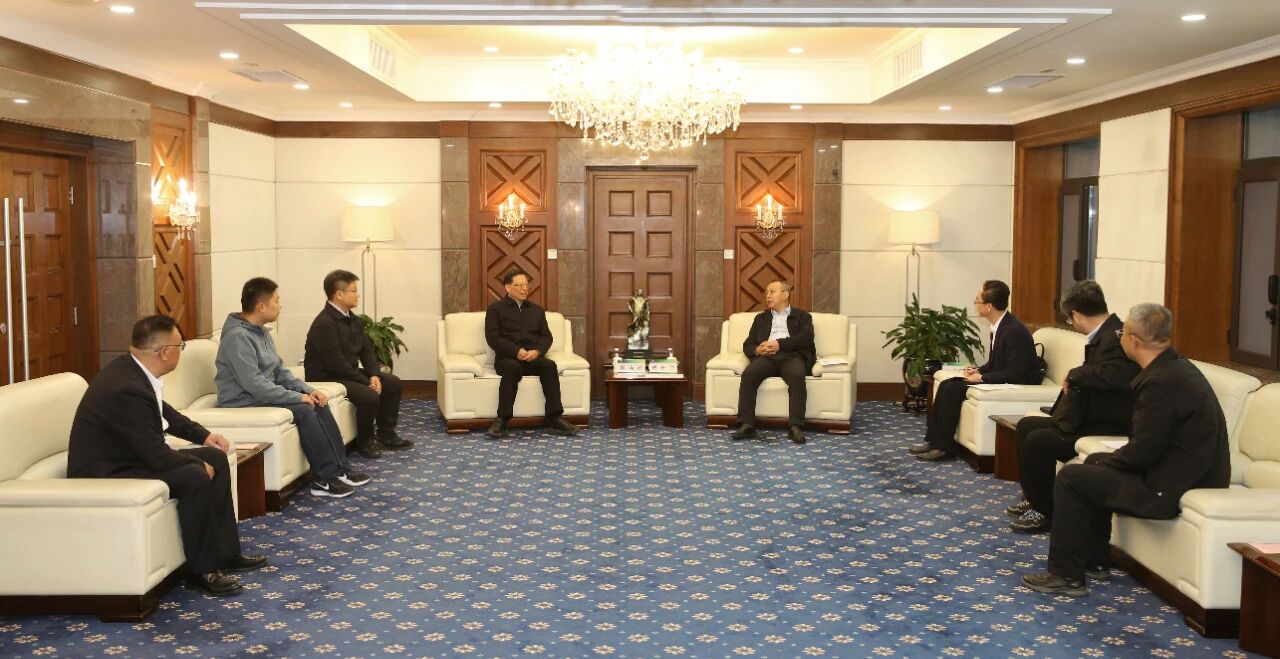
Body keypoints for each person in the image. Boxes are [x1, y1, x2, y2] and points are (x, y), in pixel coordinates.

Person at [1022, 303, 1230, 597]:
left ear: (1135, 340)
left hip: (1169, 486)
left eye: (1122, 334)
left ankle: (1066, 575)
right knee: (1093, 462)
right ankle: (1095, 559)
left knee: (1071, 478)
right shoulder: (1174, 368)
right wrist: (1104, 461)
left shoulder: (1161, 383)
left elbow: (1142, 452)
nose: (1119, 338)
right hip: (1177, 472)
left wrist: (1109, 463)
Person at [68, 315, 267, 597]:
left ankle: (225, 553)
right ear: (164, 352)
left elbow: (164, 413)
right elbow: (156, 455)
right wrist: (196, 463)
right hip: (105, 470)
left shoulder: (134, 372)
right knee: (194, 474)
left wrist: (203, 436)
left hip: (127, 457)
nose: (181, 351)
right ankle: (202, 570)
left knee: (216, 458)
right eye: (180, 346)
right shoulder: (125, 388)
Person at [215, 277, 369, 499]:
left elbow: (280, 371)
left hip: (259, 394)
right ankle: (324, 479)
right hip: (242, 399)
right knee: (304, 409)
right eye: (277, 300)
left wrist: (307, 390)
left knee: (318, 401)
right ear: (261, 306)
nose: (280, 306)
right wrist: (297, 398)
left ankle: (340, 468)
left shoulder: (261, 331)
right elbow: (254, 383)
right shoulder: (237, 337)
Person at [1007, 281, 1139, 533]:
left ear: (1076, 315)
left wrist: (1077, 373)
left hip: (1108, 422)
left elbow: (1118, 376)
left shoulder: (1116, 337)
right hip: (1089, 415)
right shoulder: (1106, 333)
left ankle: (1045, 511)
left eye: (1069, 318)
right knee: (1026, 426)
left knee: (1038, 441)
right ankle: (1036, 498)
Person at [913, 280, 1042, 461]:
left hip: (1017, 383)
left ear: (989, 306)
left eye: (977, 301)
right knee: (946, 384)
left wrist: (982, 378)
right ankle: (935, 442)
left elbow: (1015, 372)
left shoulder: (1014, 331)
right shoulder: (1001, 325)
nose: (975, 304)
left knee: (952, 389)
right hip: (1006, 378)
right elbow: (996, 363)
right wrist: (978, 370)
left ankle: (943, 447)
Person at [304, 269, 411, 460]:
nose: (358, 295)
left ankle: (386, 434)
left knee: (392, 383)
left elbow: (367, 351)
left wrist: (374, 375)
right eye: (353, 291)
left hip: (348, 373)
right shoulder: (324, 324)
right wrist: (365, 381)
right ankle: (365, 441)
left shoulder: (354, 320)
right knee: (369, 395)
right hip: (327, 376)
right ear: (339, 294)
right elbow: (335, 363)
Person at [484, 270, 580, 439]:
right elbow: (493, 338)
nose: (524, 289)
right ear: (508, 287)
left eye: (526, 285)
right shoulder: (495, 309)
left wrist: (537, 351)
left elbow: (546, 336)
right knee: (512, 368)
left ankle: (554, 418)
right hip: (508, 358)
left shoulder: (537, 310)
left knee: (549, 366)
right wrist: (516, 351)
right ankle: (502, 420)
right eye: (519, 285)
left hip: (532, 358)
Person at [728, 280, 816, 444]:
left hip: (792, 356)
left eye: (772, 292)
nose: (767, 296)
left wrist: (779, 344)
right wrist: (757, 350)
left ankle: (795, 427)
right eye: (766, 293)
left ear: (785, 294)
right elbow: (748, 345)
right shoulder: (761, 318)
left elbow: (806, 340)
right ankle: (746, 425)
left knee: (797, 376)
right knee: (749, 374)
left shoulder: (802, 316)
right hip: (767, 358)